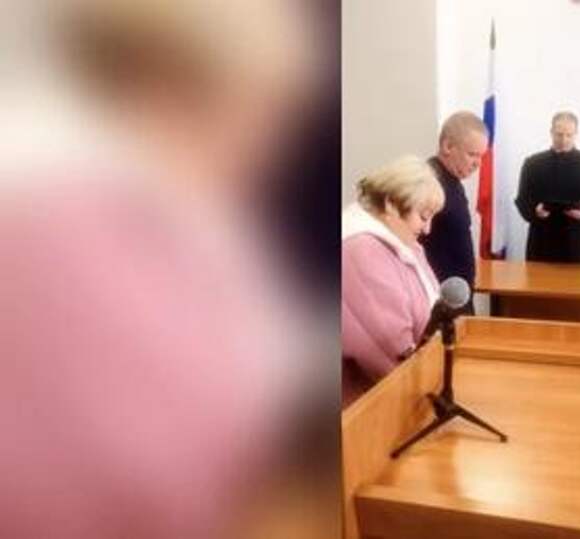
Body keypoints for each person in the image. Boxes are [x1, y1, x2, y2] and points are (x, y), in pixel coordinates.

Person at [0, 1, 324, 537]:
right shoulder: (65, 220)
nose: (266, 148)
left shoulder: (169, 204)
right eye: (261, 117)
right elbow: (165, 459)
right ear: (172, 93)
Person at [341, 155, 445, 406]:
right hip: (369, 408)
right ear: (390, 205)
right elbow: (389, 351)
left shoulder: (401, 241)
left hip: (402, 393)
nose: (428, 229)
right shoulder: (360, 250)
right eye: (423, 216)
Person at [515, 111, 580, 263]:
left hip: (579, 245)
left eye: (569, 135)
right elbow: (522, 199)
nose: (564, 140)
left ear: (576, 134)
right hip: (542, 243)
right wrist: (535, 211)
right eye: (559, 134)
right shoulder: (532, 163)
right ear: (551, 132)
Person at [419, 111, 489, 313]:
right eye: (472, 154)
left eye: (481, 156)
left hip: (456, 295)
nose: (478, 164)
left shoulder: (451, 180)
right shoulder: (428, 183)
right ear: (448, 146)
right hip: (438, 301)